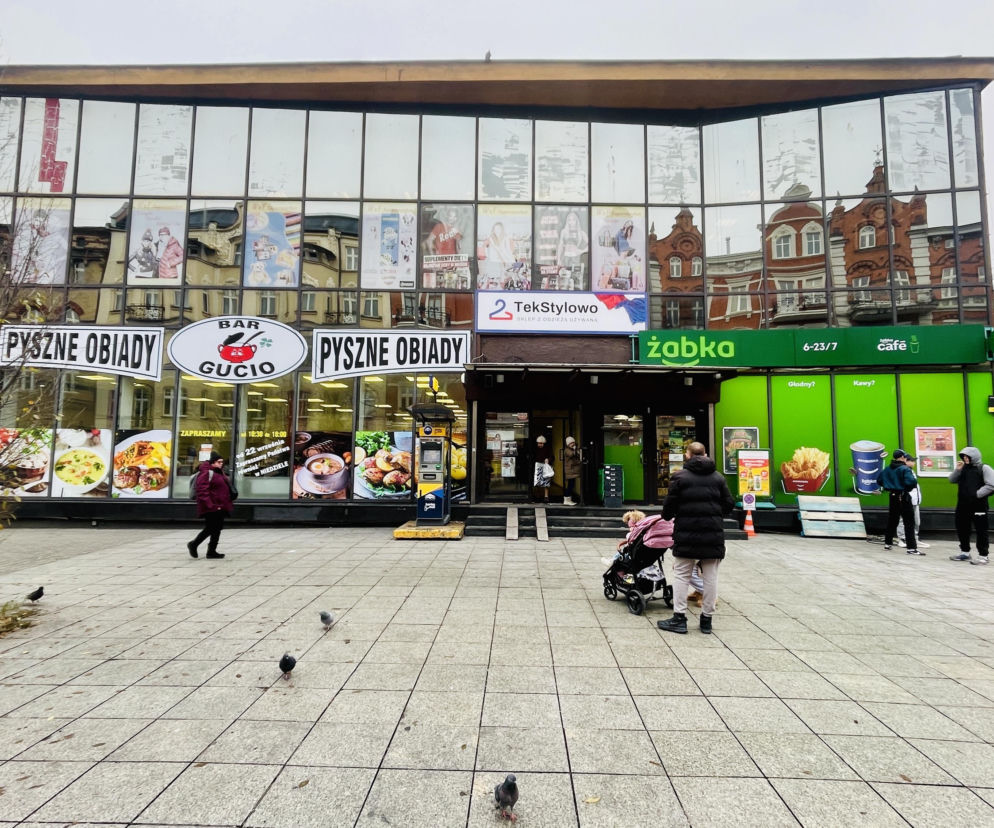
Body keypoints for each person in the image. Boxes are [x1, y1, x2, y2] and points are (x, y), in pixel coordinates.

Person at [657, 441, 734, 635]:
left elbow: (668, 507)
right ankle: (706, 620)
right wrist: (714, 515)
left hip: (686, 533)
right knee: (711, 577)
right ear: (705, 454)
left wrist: (668, 516)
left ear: (687, 455)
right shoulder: (718, 478)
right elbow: (729, 505)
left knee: (682, 574)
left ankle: (679, 618)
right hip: (712, 533)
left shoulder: (679, 477)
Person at [948, 446, 994, 565]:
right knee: (962, 528)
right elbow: (952, 480)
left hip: (979, 506)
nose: (965, 458)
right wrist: (957, 470)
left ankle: (983, 556)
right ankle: (965, 552)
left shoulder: (984, 468)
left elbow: (992, 485)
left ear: (974, 457)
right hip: (963, 505)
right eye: (963, 456)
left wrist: (976, 494)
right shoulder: (963, 468)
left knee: (981, 530)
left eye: (967, 456)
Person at [602, 510, 673, 585]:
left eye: (629, 526)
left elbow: (631, 537)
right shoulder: (650, 533)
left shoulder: (635, 530)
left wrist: (630, 536)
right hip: (652, 555)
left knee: (622, 554)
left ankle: (613, 562)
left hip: (637, 556)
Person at [188, 451, 234, 559]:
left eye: (222, 462)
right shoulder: (206, 473)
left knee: (217, 528)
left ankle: (212, 551)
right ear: (212, 462)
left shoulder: (218, 472)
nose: (221, 463)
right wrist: (210, 505)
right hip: (211, 506)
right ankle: (194, 544)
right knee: (211, 527)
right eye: (219, 462)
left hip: (220, 505)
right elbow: (202, 490)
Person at [877, 449, 921, 555]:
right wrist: (906, 488)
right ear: (902, 457)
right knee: (909, 522)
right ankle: (911, 548)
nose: (906, 459)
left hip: (892, 496)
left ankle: (888, 543)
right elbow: (911, 482)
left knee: (892, 520)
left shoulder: (887, 469)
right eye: (905, 457)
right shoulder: (905, 469)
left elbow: (879, 480)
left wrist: (889, 487)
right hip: (904, 496)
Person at [896, 453, 929, 550]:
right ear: (906, 461)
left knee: (916, 521)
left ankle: (915, 539)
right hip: (907, 500)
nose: (914, 462)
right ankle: (902, 539)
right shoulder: (902, 471)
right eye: (912, 460)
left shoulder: (911, 471)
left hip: (915, 500)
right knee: (903, 520)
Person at [532, 434, 553, 504]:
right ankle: (538, 495)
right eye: (539, 443)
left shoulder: (548, 448)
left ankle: (546, 496)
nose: (540, 445)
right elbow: (533, 457)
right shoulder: (535, 449)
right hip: (537, 466)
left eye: (541, 443)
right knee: (537, 481)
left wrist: (548, 459)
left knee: (546, 481)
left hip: (545, 466)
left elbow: (552, 456)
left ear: (544, 443)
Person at [563, 436, 583, 506]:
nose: (573, 444)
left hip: (573, 471)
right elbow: (571, 454)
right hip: (570, 471)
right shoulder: (567, 450)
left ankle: (569, 500)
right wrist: (575, 450)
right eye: (571, 443)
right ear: (568, 444)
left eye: (573, 443)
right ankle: (566, 500)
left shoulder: (573, 449)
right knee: (570, 486)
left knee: (571, 485)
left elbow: (578, 455)